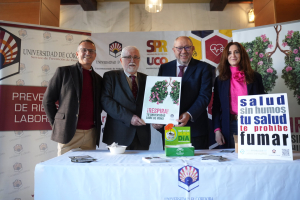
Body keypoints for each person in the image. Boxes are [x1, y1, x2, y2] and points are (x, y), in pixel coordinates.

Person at [42, 39, 103, 156]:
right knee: (64, 171)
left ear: (95, 55)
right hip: (68, 133)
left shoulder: (99, 79)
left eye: (91, 51)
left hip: (91, 134)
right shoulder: (63, 72)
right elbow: (47, 101)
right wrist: (57, 125)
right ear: (77, 54)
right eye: (84, 50)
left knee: (87, 171)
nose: (88, 53)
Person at [152, 36, 212, 149]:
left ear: (193, 49)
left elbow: (204, 96)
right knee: (171, 164)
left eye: (187, 47)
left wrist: (189, 114)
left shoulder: (204, 68)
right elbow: (159, 96)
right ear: (174, 50)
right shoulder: (165, 68)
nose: (183, 51)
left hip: (195, 129)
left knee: (198, 165)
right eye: (179, 48)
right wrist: (157, 119)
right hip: (171, 130)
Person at [212, 42, 266, 148]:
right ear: (226, 57)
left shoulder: (255, 77)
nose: (233, 55)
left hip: (252, 125)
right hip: (229, 125)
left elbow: (262, 103)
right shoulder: (220, 80)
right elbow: (216, 107)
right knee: (230, 161)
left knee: (252, 159)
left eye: (236, 52)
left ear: (242, 55)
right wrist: (217, 130)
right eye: (229, 53)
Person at [101, 46, 151, 150]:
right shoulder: (110, 77)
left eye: (136, 57)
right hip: (118, 136)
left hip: (142, 136)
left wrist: (157, 119)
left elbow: (153, 103)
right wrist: (129, 117)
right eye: (128, 57)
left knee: (142, 166)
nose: (132, 60)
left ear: (139, 60)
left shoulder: (147, 79)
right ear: (121, 60)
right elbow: (106, 101)